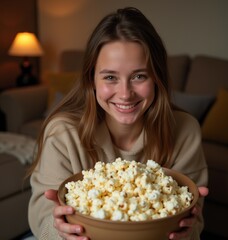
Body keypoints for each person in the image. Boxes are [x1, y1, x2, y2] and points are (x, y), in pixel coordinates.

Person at [28, 7, 208, 240]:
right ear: (91, 79)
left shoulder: (185, 130)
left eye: (139, 76)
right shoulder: (62, 133)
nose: (125, 94)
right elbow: (42, 222)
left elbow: (194, 224)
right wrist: (60, 232)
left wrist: (187, 228)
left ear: (157, 79)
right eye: (110, 77)